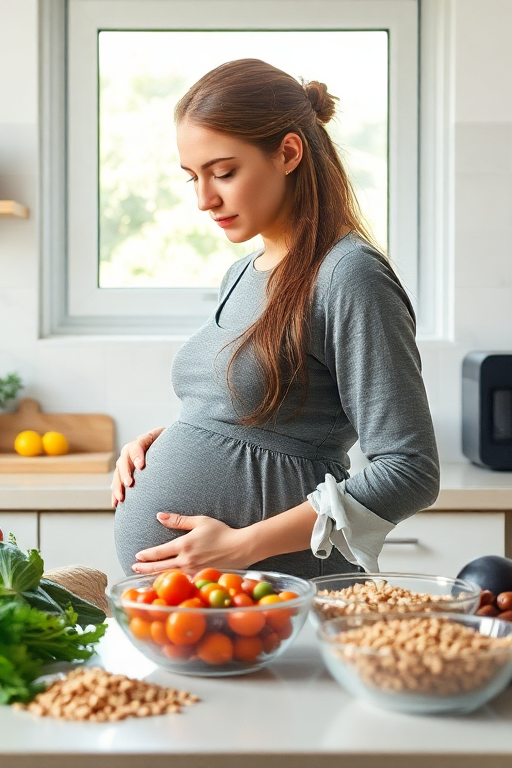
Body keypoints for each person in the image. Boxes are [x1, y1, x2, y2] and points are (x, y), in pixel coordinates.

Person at [112, 58, 440, 581]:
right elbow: (256, 412)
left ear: (288, 153)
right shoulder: (243, 271)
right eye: (192, 177)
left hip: (282, 593)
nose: (203, 199)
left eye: (223, 172)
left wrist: (242, 546)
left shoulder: (348, 274)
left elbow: (409, 471)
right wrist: (167, 441)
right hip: (202, 611)